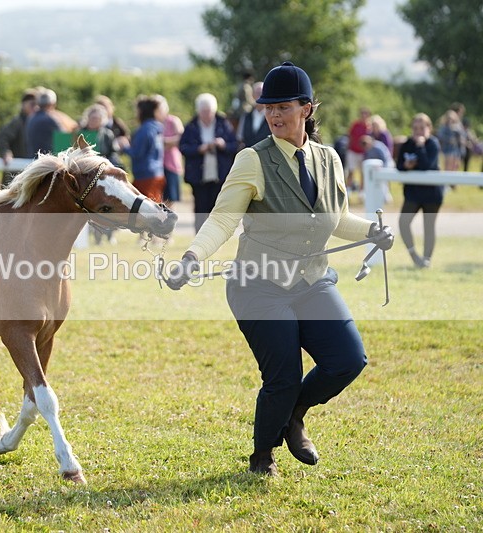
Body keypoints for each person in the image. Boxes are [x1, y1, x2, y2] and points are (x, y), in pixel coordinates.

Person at [166, 62, 394, 476]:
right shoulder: (251, 160)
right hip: (259, 287)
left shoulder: (329, 159)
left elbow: (336, 218)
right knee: (284, 376)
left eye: (283, 106)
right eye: (268, 107)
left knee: (348, 359)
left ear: (306, 108)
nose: (273, 115)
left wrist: (374, 231)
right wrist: (192, 258)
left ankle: (294, 416)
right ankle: (261, 457)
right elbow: (221, 219)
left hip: (311, 282)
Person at [179, 93, 238, 233]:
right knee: (200, 207)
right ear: (199, 111)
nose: (207, 115)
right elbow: (183, 147)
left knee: (217, 207)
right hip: (198, 175)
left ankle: (215, 236)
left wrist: (222, 145)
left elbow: (235, 145)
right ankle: (199, 236)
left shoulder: (223, 124)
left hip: (219, 174)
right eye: (204, 112)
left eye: (209, 111)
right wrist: (199, 149)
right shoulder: (191, 126)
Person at [397, 113, 442, 268]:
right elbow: (399, 165)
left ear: (429, 128)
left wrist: (421, 146)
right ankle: (414, 256)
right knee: (403, 223)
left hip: (431, 194)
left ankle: (427, 259)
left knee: (428, 226)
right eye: (415, 128)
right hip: (413, 193)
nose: (418, 131)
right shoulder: (407, 144)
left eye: (422, 128)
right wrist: (406, 166)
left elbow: (427, 166)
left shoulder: (433, 144)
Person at [78, 103, 119, 245]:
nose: (94, 121)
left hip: (103, 175)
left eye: (97, 118)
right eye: (92, 118)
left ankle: (106, 235)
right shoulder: (79, 134)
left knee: (106, 207)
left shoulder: (107, 134)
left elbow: (113, 153)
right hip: (85, 176)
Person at [117, 95, 166, 203]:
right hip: (157, 172)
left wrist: (124, 147)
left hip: (145, 175)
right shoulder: (156, 127)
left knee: (146, 209)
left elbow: (137, 153)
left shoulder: (144, 129)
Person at [0, 88, 38, 187]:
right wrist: (6, 153)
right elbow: (3, 137)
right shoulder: (18, 122)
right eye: (32, 104)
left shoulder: (35, 121)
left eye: (37, 105)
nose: (35, 107)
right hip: (15, 173)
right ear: (23, 105)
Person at [158, 96, 184, 206]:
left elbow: (181, 138)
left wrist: (165, 142)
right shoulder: (154, 123)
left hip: (171, 163)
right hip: (158, 164)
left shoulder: (173, 121)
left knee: (170, 198)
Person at [95, 95, 130, 168]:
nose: (104, 110)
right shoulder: (93, 124)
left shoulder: (117, 123)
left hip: (114, 154)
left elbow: (126, 137)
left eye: (105, 107)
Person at [236, 82, 272, 149]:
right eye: (257, 93)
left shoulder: (272, 116)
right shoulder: (246, 116)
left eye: (261, 93)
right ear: (252, 95)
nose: (259, 96)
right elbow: (240, 138)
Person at [360, 134, 394, 203]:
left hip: (386, 164)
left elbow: (385, 159)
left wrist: (381, 169)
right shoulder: (367, 149)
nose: (365, 147)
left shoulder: (378, 147)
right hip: (375, 166)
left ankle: (386, 196)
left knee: (383, 179)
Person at [345, 107, 372, 193]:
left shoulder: (369, 128)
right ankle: (348, 190)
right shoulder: (355, 125)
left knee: (362, 173)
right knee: (351, 171)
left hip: (363, 153)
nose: (363, 116)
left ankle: (361, 192)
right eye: (362, 114)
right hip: (353, 151)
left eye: (365, 114)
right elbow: (350, 137)